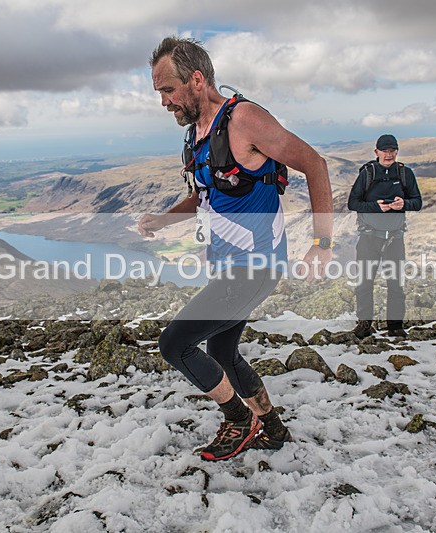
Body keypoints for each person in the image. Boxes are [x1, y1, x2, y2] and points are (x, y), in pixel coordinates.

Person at [138, 36, 333, 461]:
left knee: (175, 344)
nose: (165, 102)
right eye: (159, 94)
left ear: (195, 79)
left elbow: (314, 164)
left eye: (168, 90)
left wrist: (322, 243)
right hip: (226, 265)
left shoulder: (244, 119)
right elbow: (203, 197)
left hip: (257, 265)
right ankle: (274, 428)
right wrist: (162, 219)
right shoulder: (195, 137)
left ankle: (238, 421)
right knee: (222, 352)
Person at [347, 134, 422, 338]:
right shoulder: (368, 173)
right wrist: (376, 207)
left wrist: (403, 204)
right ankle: (364, 325)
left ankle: (395, 327)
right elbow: (353, 203)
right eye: (385, 150)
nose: (388, 154)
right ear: (376, 152)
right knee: (365, 281)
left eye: (392, 150)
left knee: (395, 282)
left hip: (395, 238)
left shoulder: (405, 173)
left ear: (397, 151)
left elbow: (418, 202)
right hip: (369, 237)